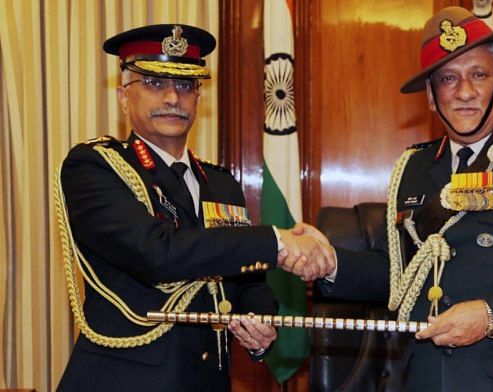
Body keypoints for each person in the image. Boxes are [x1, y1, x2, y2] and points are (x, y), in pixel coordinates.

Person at [293, 6, 493, 390]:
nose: (465, 92)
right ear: (431, 96)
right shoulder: (414, 168)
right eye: (449, 78)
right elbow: (402, 278)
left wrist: (491, 315)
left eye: (479, 75)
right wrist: (329, 263)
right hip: (427, 378)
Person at [56, 24, 333, 391]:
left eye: (186, 85)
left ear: (198, 97)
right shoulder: (97, 167)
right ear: (124, 97)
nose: (173, 97)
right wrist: (277, 242)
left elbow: (246, 281)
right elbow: (157, 252)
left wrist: (259, 324)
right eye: (155, 83)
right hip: (124, 381)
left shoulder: (220, 183)